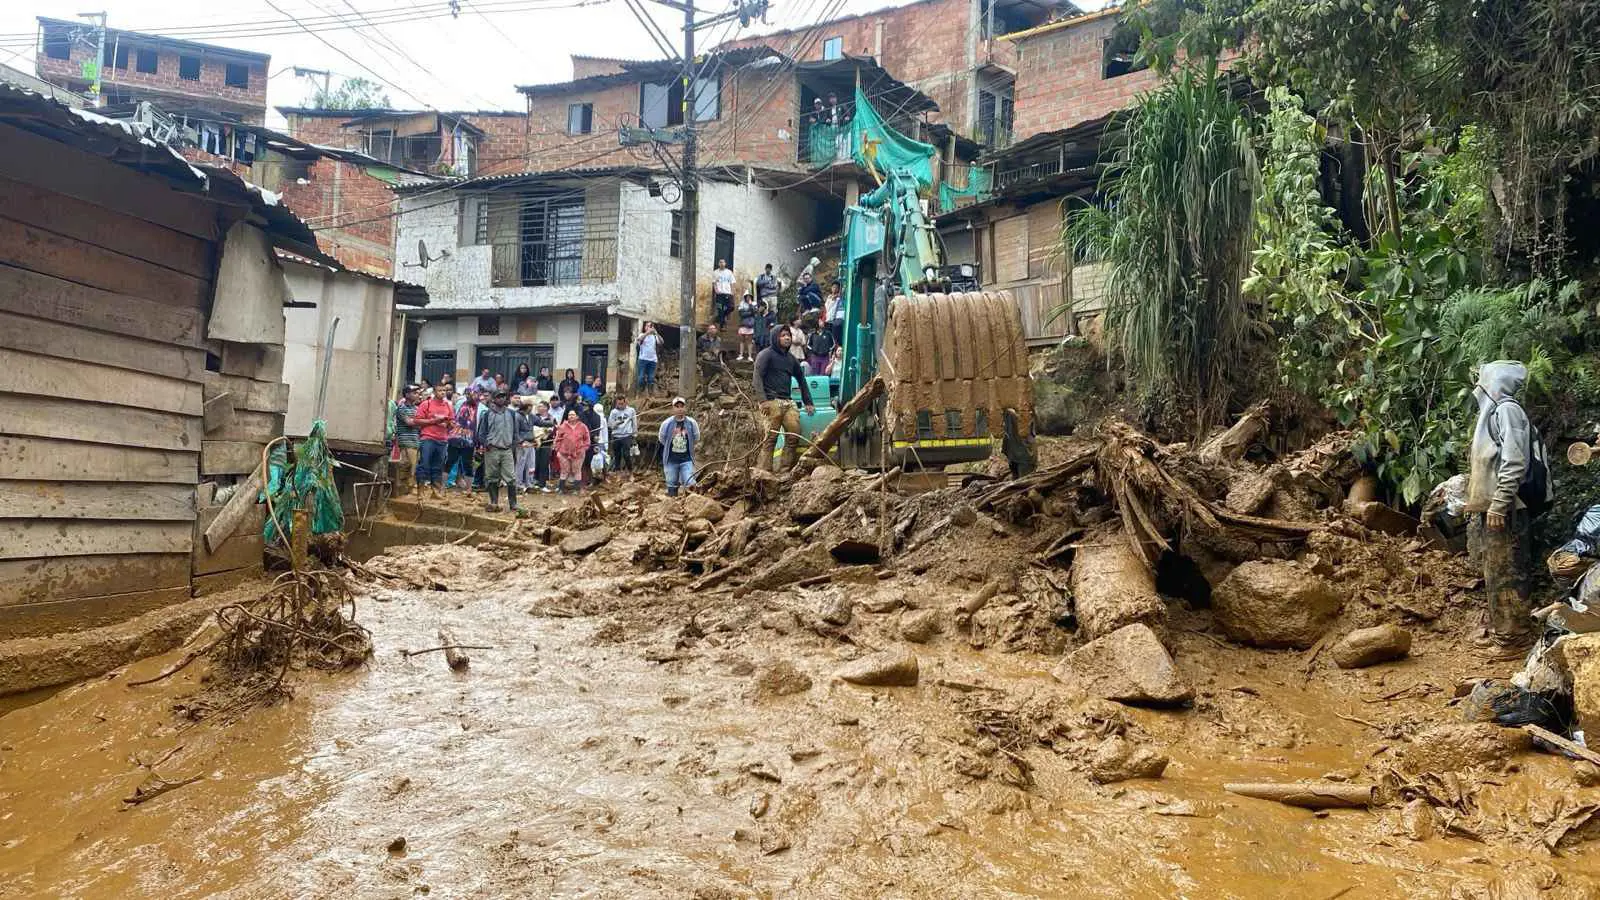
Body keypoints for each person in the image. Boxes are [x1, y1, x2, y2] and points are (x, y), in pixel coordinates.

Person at [1465, 360, 1552, 645]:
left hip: (1507, 509)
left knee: (1508, 573)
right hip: (1498, 508)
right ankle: (1506, 633)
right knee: (1497, 571)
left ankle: (1514, 639)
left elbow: (1515, 462)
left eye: (1483, 379)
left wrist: (1499, 504)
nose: (1479, 385)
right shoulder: (1495, 412)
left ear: (1494, 383)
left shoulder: (1507, 411)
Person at [753, 325, 815, 473]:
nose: (787, 338)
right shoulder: (765, 355)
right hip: (771, 401)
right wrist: (763, 401)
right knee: (770, 439)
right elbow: (757, 378)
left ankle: (784, 471)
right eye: (783, 335)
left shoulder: (790, 358)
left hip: (787, 402)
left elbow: (801, 379)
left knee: (794, 435)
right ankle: (764, 472)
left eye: (788, 335)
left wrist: (808, 402)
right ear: (775, 338)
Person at [477, 390, 521, 514]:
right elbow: (481, 433)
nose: (501, 399)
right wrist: (487, 444)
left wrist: (514, 444)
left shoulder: (512, 414)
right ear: (494, 399)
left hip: (507, 450)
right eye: (498, 397)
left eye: (503, 396)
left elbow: (515, 433)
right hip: (492, 450)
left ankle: (513, 504)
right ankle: (494, 502)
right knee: (492, 477)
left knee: (511, 478)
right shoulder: (487, 414)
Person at [414, 383, 455, 497]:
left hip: (442, 439)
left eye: (444, 390)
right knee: (424, 464)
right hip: (428, 438)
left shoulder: (449, 406)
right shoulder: (426, 404)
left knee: (438, 466)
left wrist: (450, 424)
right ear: (434, 392)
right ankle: (420, 491)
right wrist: (434, 421)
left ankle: (435, 491)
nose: (442, 392)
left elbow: (451, 423)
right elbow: (417, 421)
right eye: (440, 390)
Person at [658, 396, 700, 497]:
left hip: (686, 459)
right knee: (671, 483)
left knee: (689, 482)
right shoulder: (667, 424)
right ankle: (673, 505)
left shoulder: (691, 423)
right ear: (673, 409)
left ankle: (691, 503)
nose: (679, 409)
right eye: (677, 407)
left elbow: (696, 437)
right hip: (671, 459)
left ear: (685, 408)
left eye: (682, 406)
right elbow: (662, 438)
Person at [553, 408, 591, 494]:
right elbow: (557, 438)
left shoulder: (583, 426)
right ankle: (561, 489)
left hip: (578, 453)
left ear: (577, 416)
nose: (571, 416)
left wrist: (584, 448)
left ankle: (576, 490)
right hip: (564, 453)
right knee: (564, 470)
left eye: (573, 415)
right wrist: (557, 449)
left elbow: (587, 439)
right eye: (569, 415)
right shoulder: (563, 426)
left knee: (576, 470)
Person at [392, 385, 421, 497]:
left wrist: (419, 422)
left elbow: (417, 424)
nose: (417, 395)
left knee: (413, 465)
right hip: (406, 441)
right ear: (407, 394)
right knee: (406, 464)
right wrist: (423, 421)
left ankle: (408, 488)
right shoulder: (401, 408)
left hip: (415, 441)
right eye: (414, 392)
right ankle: (402, 488)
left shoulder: (416, 409)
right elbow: (409, 422)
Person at [446, 395, 477, 491]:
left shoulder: (479, 408)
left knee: (467, 464)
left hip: (469, 439)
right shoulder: (460, 403)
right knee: (450, 462)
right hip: (455, 437)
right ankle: (442, 486)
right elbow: (453, 418)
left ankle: (468, 489)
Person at [526, 400, 556, 492]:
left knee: (544, 464)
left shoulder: (551, 418)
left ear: (546, 408)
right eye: (538, 406)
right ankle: (533, 482)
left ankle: (542, 484)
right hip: (534, 444)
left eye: (541, 406)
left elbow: (555, 431)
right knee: (534, 464)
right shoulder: (534, 418)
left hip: (546, 444)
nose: (539, 408)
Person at [608, 395, 638, 478]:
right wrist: (616, 423)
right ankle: (618, 473)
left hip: (626, 435)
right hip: (616, 435)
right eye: (618, 404)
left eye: (622, 403)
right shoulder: (613, 412)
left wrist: (634, 435)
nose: (620, 405)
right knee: (617, 455)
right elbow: (610, 425)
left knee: (626, 455)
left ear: (625, 402)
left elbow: (634, 423)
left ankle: (630, 472)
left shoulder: (631, 410)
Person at [636, 321, 664, 393]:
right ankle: (640, 391)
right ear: (645, 327)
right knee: (641, 377)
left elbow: (661, 342)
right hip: (643, 359)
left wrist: (656, 333)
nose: (649, 328)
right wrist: (647, 333)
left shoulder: (654, 337)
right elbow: (639, 340)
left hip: (653, 360)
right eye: (647, 326)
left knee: (651, 378)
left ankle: (650, 394)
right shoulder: (641, 334)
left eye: (650, 326)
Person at [712, 258, 735, 327]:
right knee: (720, 309)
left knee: (731, 307)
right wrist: (716, 291)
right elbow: (714, 283)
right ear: (718, 264)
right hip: (720, 294)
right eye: (720, 262)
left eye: (723, 262)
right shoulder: (715, 272)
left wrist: (732, 292)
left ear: (725, 264)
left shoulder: (729, 272)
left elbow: (732, 282)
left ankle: (719, 317)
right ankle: (722, 326)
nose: (722, 263)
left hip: (728, 293)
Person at [736, 292, 758, 361]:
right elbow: (741, 314)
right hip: (743, 324)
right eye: (747, 296)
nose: (748, 297)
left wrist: (750, 304)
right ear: (745, 297)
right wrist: (750, 312)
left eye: (749, 296)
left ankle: (750, 356)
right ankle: (741, 355)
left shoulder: (754, 303)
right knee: (742, 340)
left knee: (749, 341)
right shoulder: (741, 304)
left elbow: (755, 312)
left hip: (751, 324)